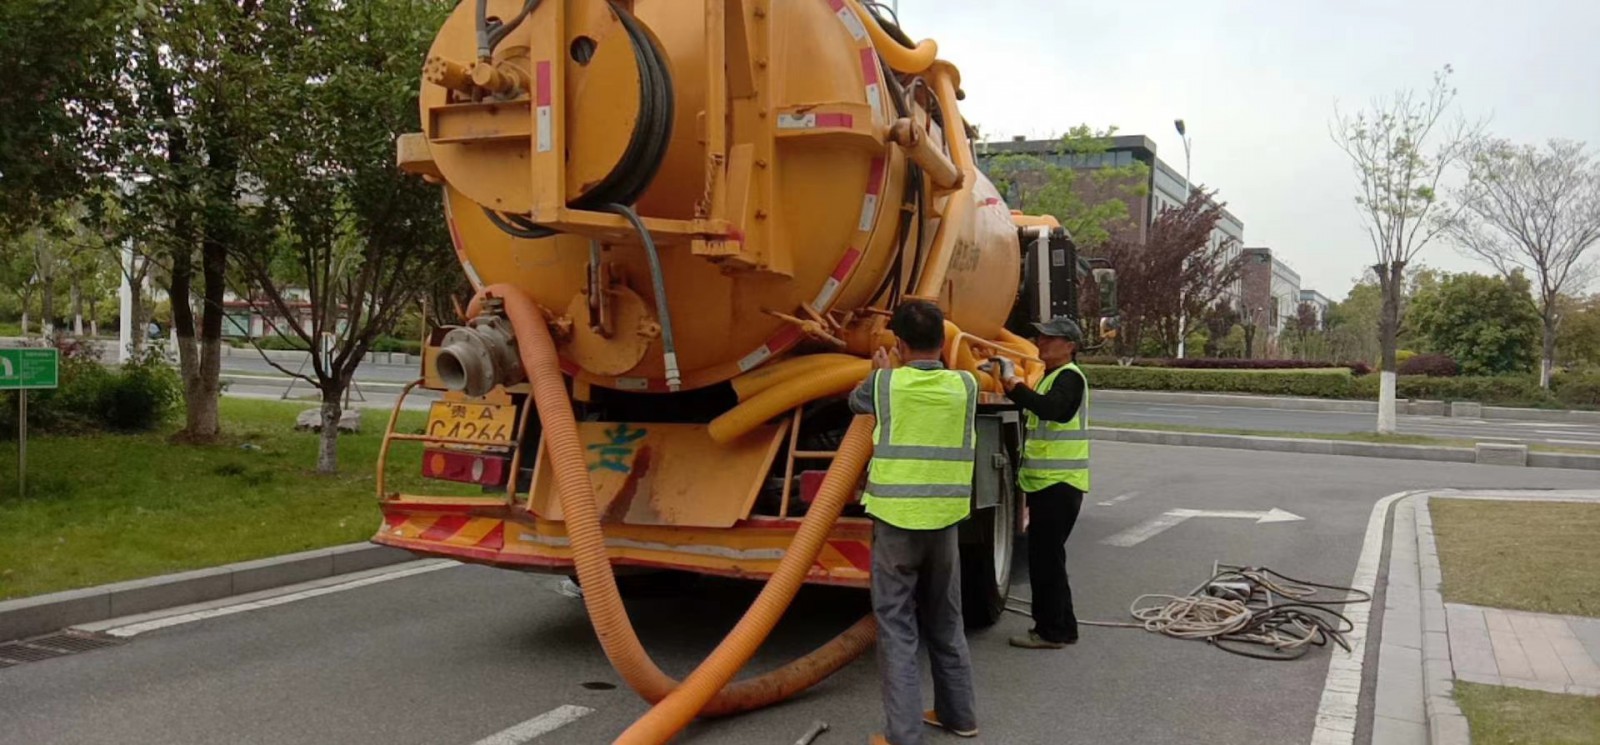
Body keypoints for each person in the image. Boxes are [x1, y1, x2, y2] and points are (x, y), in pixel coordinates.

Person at [850, 300, 980, 745]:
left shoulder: (885, 386)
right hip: (944, 521)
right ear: (943, 342)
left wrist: (880, 369)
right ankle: (959, 716)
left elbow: (856, 402)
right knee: (946, 620)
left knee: (896, 625)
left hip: (896, 521)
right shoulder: (967, 385)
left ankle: (903, 735)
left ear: (899, 344)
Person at [996, 316, 1090, 650]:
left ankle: (1050, 631)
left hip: (1059, 484)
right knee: (1049, 558)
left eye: (1051, 338)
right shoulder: (1052, 377)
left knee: (1046, 560)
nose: (1042, 342)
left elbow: (1055, 411)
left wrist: (1013, 385)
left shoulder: (1068, 378)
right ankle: (1064, 627)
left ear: (1070, 346)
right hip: (1048, 484)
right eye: (1040, 336)